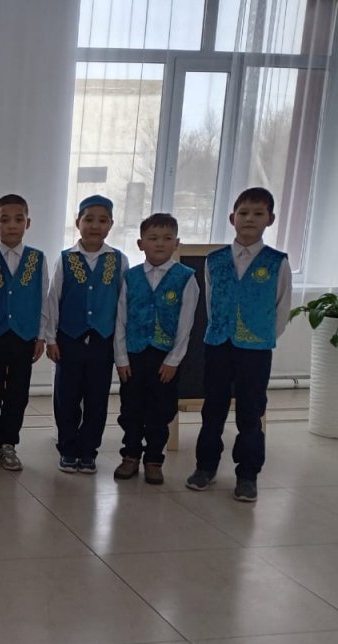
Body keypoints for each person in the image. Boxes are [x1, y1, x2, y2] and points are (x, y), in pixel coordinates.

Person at [186, 187, 292, 502]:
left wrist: (261, 336)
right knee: (213, 409)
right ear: (232, 218)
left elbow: (282, 308)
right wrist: (222, 329)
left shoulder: (277, 262)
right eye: (243, 213)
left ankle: (247, 475)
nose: (249, 219)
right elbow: (211, 301)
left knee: (250, 412)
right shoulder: (215, 260)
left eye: (258, 214)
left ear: (270, 219)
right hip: (218, 345)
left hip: (256, 351)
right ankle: (205, 466)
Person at [46, 195, 128, 474]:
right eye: (89, 219)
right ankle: (68, 448)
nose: (95, 225)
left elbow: (123, 305)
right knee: (66, 397)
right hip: (69, 340)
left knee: (97, 398)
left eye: (102, 220)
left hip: (103, 342)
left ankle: (88, 450)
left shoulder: (119, 260)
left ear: (111, 225)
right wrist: (51, 338)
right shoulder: (65, 259)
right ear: (77, 222)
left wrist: (120, 348)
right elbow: (53, 300)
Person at [113, 213, 198, 485]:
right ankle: (130, 455)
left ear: (177, 243)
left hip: (165, 358)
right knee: (131, 407)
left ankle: (153, 459)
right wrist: (121, 358)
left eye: (166, 238)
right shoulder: (130, 277)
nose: (159, 243)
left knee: (161, 410)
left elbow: (186, 324)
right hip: (134, 355)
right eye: (152, 238)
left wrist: (174, 359)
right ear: (141, 244)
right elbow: (120, 319)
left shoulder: (186, 278)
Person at [0, 194, 48, 472]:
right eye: (4, 220)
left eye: (18, 219)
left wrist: (41, 335)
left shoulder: (37, 259)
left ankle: (9, 443)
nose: (12, 225)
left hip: (24, 336)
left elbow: (43, 299)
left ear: (28, 223)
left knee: (18, 393)